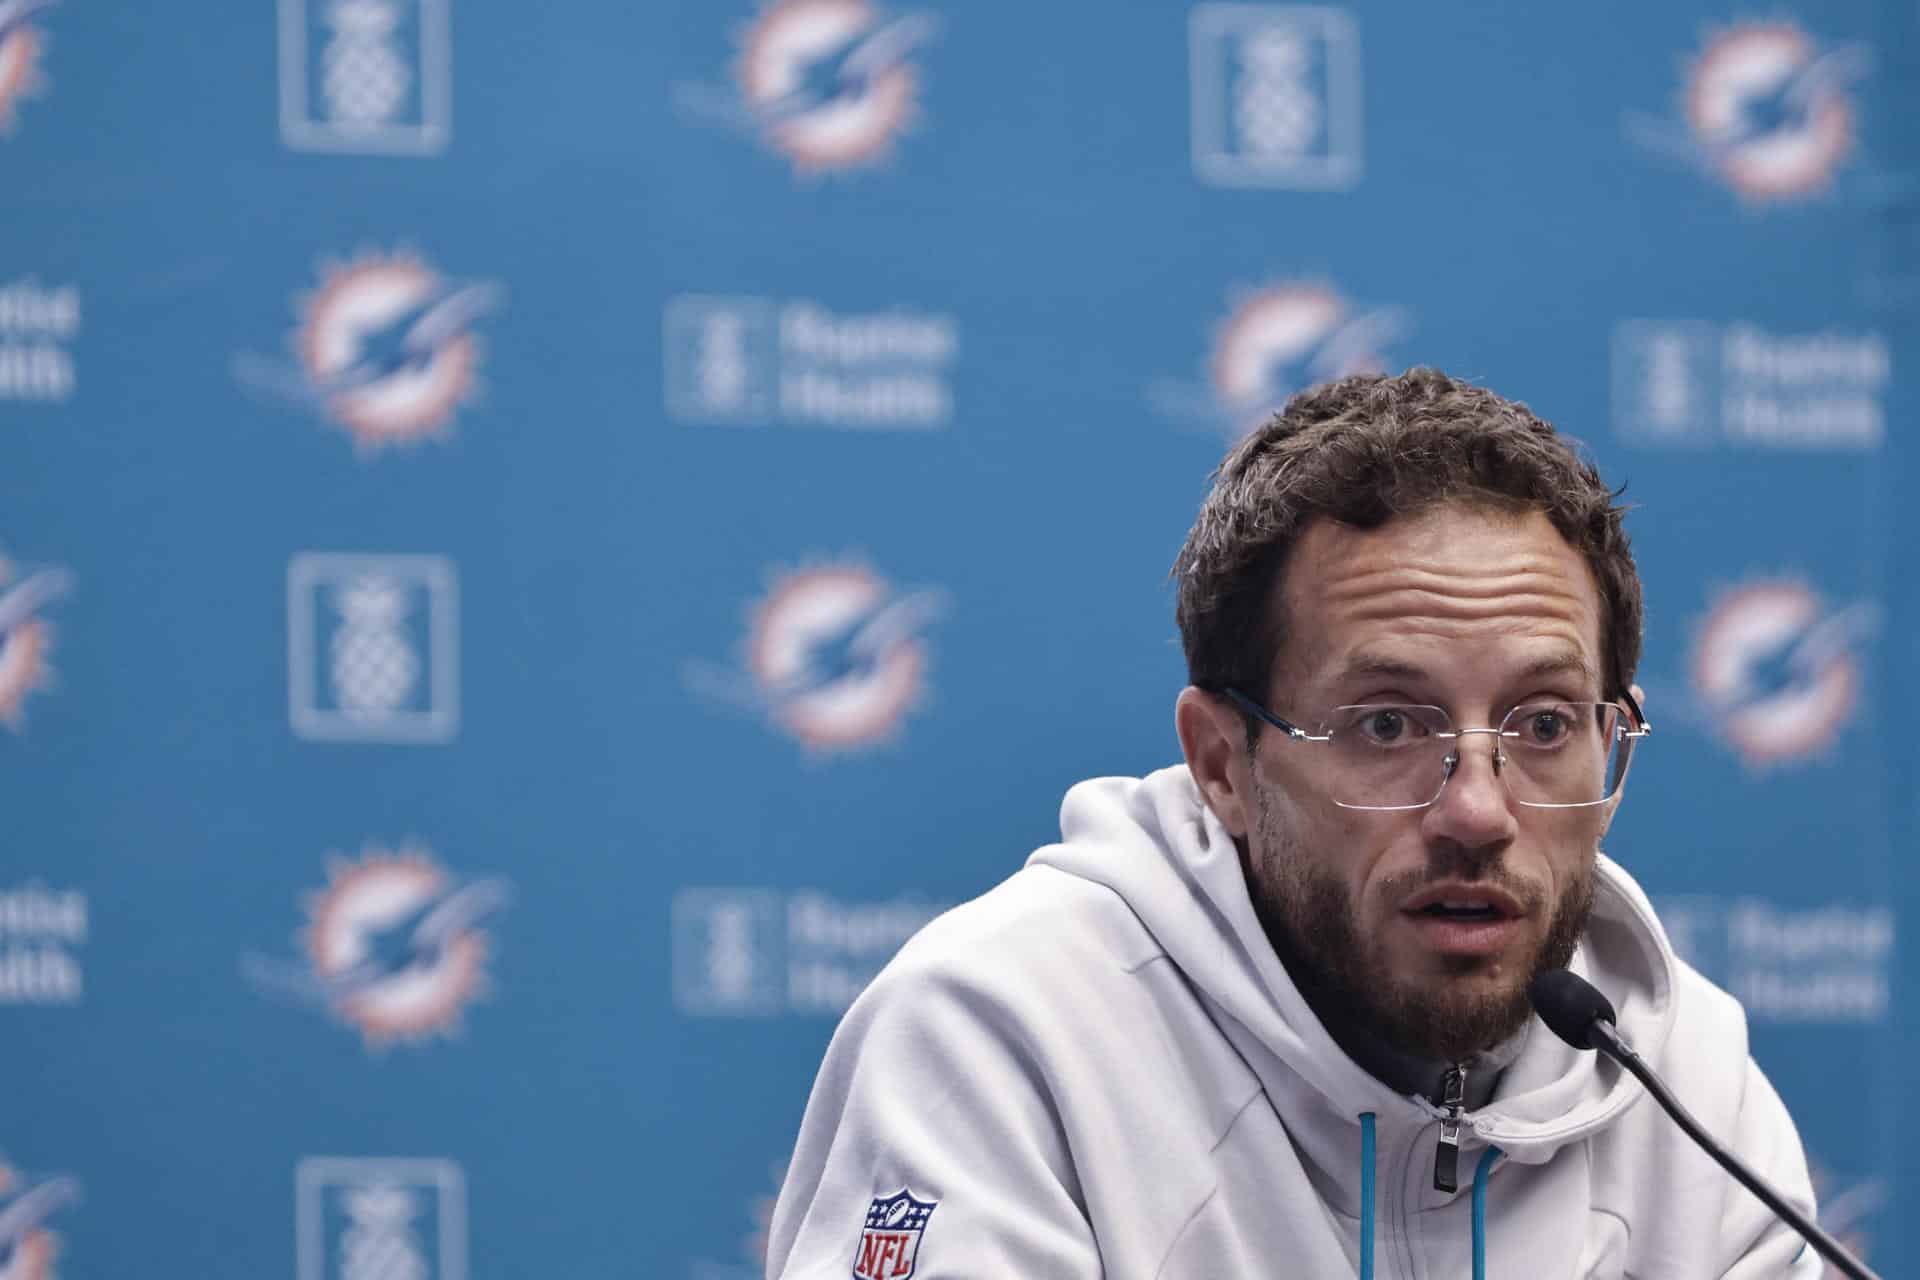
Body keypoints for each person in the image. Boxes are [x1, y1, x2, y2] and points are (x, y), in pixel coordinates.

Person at [765, 368, 1817, 1278]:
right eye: (1388, 721)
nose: (1478, 810)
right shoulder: (1005, 1036)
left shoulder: (1686, 1084)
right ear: (1224, 762)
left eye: (1543, 722)